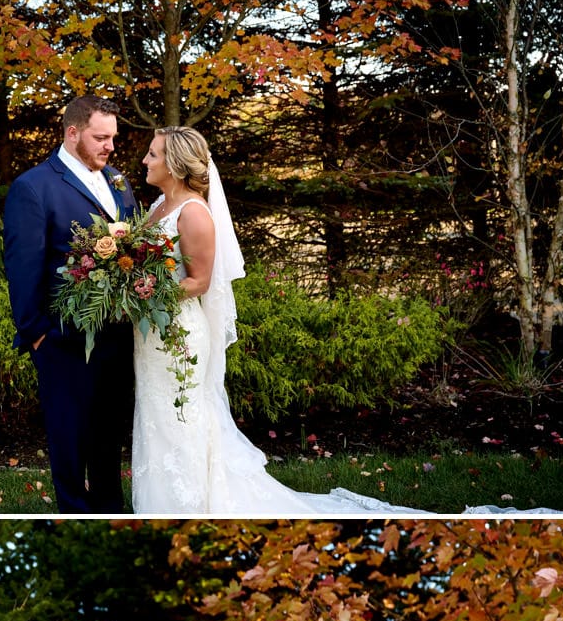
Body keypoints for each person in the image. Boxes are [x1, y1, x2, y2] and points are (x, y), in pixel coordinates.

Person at [130, 128, 420, 514]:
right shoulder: (157, 207)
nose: (145, 161)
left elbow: (198, 282)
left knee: (179, 417)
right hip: (150, 335)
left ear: (176, 164)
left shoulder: (194, 214)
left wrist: (151, 292)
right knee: (157, 418)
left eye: (153, 155)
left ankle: (189, 503)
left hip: (177, 335)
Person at [3, 95, 139, 513]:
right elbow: (22, 265)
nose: (110, 147)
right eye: (101, 137)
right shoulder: (34, 187)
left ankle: (111, 515)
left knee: (108, 441)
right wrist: (37, 334)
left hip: (117, 337)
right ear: (73, 133)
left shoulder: (118, 180)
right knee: (68, 442)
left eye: (113, 138)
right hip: (62, 342)